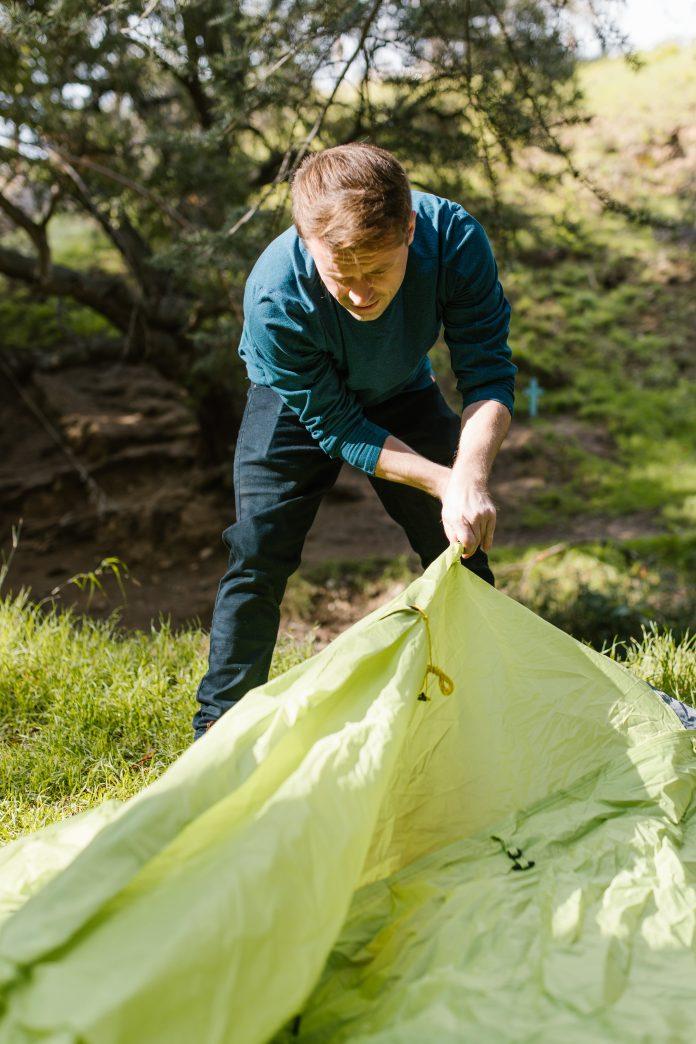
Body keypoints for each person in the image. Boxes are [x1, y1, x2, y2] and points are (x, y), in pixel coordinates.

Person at [192, 142, 516, 740]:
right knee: (259, 549)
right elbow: (340, 426)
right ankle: (220, 729)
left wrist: (466, 480)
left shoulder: (455, 240)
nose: (362, 295)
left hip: (400, 382)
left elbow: (489, 376)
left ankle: (487, 694)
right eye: (342, 276)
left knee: (458, 541)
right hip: (296, 405)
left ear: (410, 229)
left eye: (379, 271)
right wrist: (443, 479)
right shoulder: (275, 296)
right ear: (305, 239)